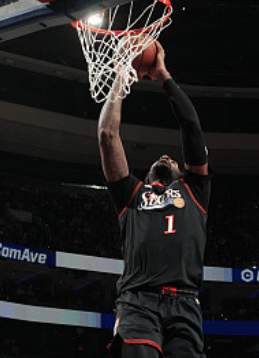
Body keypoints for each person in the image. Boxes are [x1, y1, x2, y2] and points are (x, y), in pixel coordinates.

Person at [98, 40, 210, 358]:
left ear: (181, 171)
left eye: (172, 159)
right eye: (160, 159)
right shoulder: (132, 194)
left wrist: (163, 76)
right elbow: (107, 135)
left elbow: (191, 127)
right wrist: (122, 76)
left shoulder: (194, 189)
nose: (165, 157)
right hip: (138, 300)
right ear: (147, 176)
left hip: (185, 302)